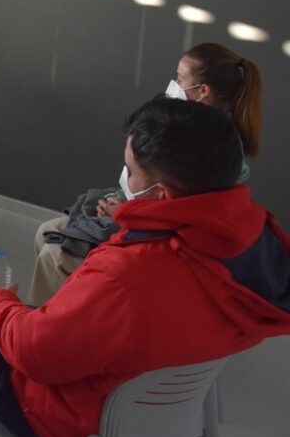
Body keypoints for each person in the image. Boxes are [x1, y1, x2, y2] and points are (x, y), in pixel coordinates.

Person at [0, 97, 290, 437]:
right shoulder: (255, 243)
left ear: (161, 195)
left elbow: (35, 354)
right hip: (151, 414)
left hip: (69, 419)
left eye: (130, 172)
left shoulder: (131, 271)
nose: (124, 180)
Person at [27, 42, 264, 306]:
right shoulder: (182, 125)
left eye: (179, 78)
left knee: (54, 256)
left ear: (202, 91)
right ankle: (65, 312)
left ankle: (49, 330)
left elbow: (180, 215)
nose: (173, 84)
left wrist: (125, 214)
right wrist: (121, 202)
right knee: (46, 231)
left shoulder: (212, 150)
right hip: (133, 211)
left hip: (148, 229)